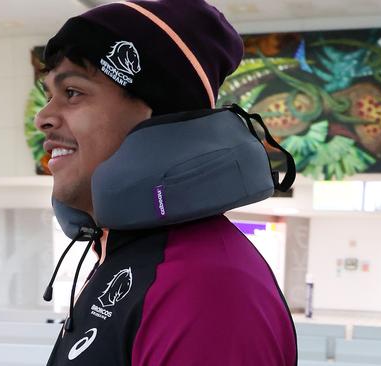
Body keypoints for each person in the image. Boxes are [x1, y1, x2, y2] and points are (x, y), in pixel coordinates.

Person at [35, 0, 298, 365]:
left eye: (73, 93)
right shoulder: (128, 257)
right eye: (48, 95)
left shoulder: (206, 287)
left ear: (157, 118)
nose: (43, 117)